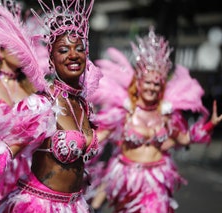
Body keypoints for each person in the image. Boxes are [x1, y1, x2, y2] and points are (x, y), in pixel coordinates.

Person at [0, 0, 103, 212]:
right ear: (52, 61)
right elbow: (10, 146)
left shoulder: (84, 105)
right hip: (41, 205)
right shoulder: (44, 104)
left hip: (74, 205)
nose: (73, 54)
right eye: (63, 50)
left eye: (79, 48)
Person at [88, 27, 222, 213]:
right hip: (127, 178)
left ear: (162, 86)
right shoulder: (125, 112)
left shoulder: (167, 114)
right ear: (139, 83)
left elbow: (183, 139)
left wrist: (209, 125)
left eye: (157, 83)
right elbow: (99, 136)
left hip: (157, 179)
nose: (152, 87)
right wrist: (76, 143)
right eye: (148, 82)